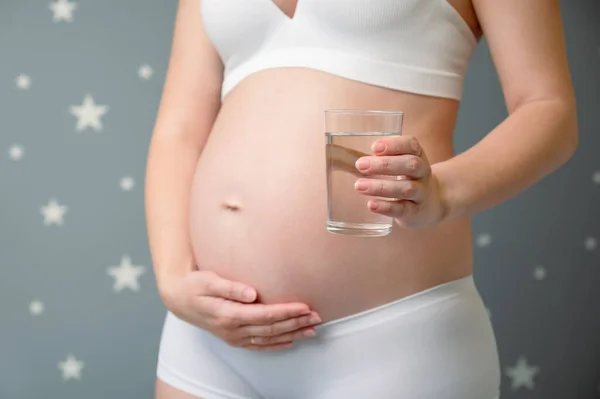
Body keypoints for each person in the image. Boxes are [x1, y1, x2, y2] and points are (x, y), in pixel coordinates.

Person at [144, 0, 578, 398]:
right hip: (208, 342)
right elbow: (179, 130)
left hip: (392, 342)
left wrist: (445, 191)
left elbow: (548, 108)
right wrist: (172, 278)